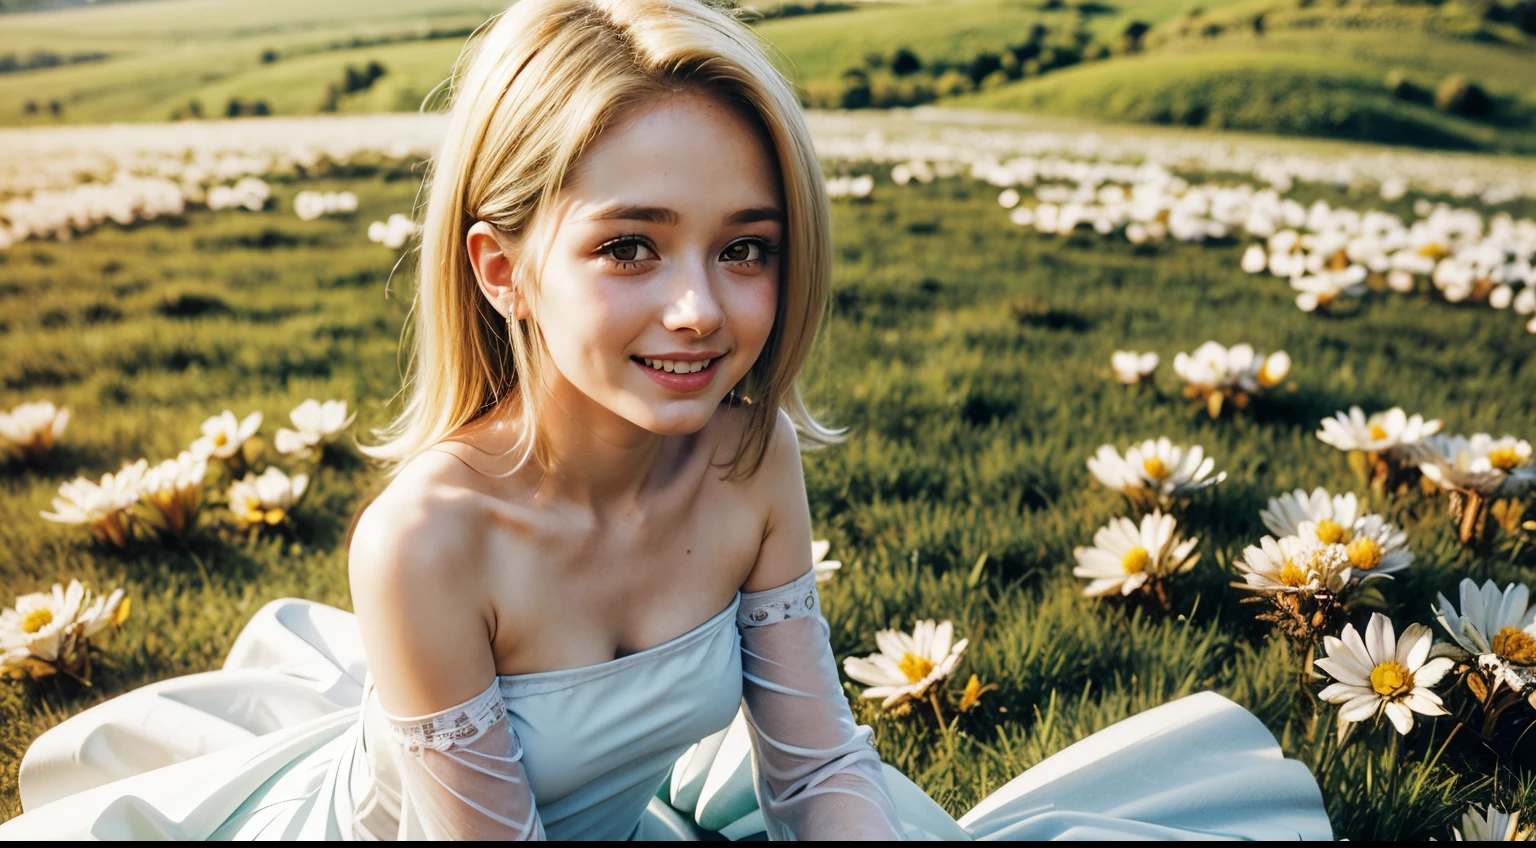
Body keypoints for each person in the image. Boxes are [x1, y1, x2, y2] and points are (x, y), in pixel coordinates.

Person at [0, 0, 1333, 839]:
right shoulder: (427, 542)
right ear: (502, 269)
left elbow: (814, 775)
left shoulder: (747, 461)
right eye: (632, 246)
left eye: (745, 249)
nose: (701, 309)